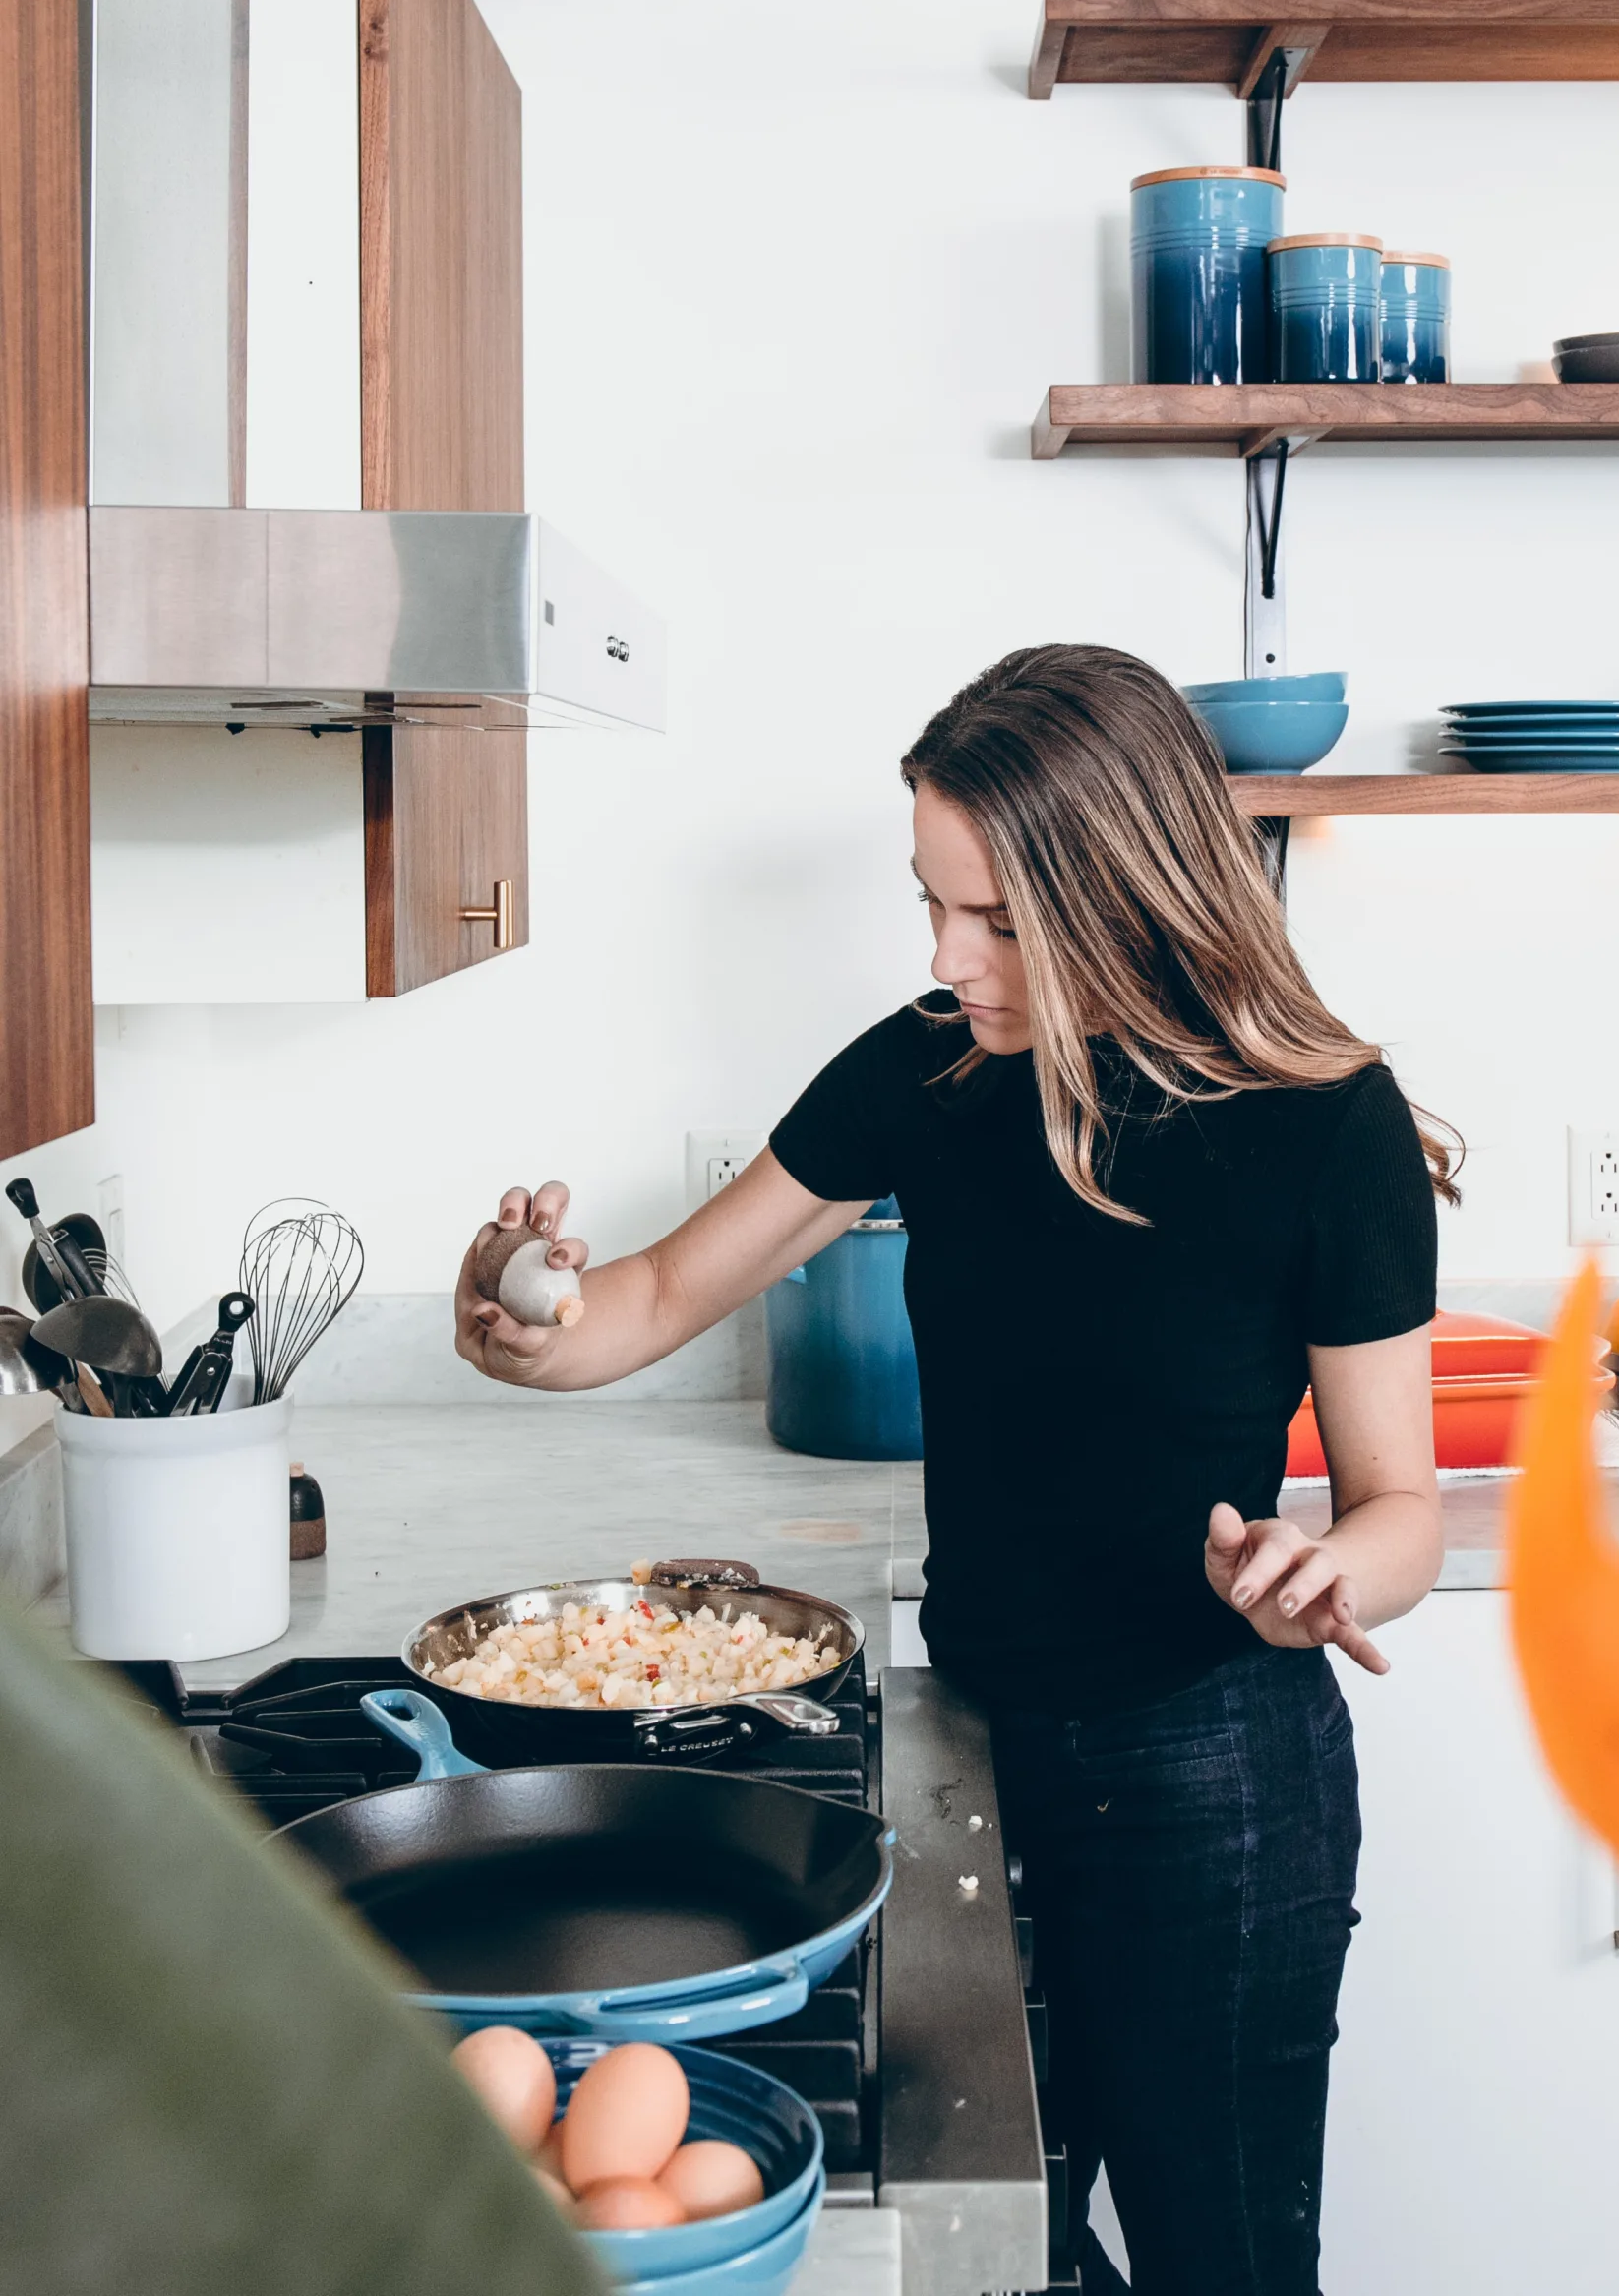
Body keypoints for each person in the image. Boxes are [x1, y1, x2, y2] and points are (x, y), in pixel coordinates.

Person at [455, 644, 1454, 2296]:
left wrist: (1325, 1576)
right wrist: (524, 1313)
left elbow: (1397, 1506)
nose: (947, 958)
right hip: (971, 1753)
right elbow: (640, 1300)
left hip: (1215, 1776)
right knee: (1000, 2251)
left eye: (994, 921)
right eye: (930, 904)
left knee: (1229, 2260)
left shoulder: (1324, 1126)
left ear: (1129, 890)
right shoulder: (928, 1068)